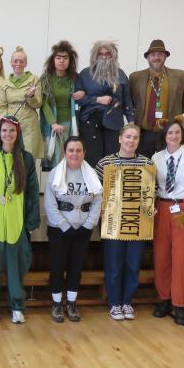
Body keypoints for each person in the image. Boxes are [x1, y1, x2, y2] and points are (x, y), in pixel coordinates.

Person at [0, 116, 40, 324]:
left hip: (16, 222)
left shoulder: (26, 159)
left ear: (18, 133)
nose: (8, 134)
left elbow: (32, 192)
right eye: (4, 130)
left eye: (12, 131)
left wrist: (31, 221)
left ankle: (17, 306)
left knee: (16, 266)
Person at [96, 124, 155, 321]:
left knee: (133, 265)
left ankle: (127, 302)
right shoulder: (105, 163)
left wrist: (151, 207)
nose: (131, 141)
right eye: (128, 136)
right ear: (120, 138)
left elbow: (153, 192)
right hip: (113, 224)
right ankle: (114, 303)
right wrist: (100, 210)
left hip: (138, 224)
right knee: (113, 265)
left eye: (135, 137)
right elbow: (96, 192)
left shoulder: (147, 163)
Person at [151, 119, 184, 326]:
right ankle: (164, 299)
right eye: (170, 133)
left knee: (182, 259)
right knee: (161, 256)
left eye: (177, 132)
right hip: (163, 207)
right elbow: (150, 186)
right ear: (164, 136)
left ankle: (179, 303)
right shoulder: (156, 158)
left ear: (182, 135)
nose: (173, 136)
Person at [44, 136, 102, 322]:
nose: (74, 154)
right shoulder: (55, 173)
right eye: (71, 150)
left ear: (84, 153)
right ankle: (56, 304)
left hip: (82, 229)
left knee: (76, 267)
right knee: (58, 267)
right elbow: (50, 204)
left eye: (78, 150)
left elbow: (97, 201)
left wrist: (88, 225)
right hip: (59, 229)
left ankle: (71, 303)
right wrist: (64, 226)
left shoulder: (91, 174)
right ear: (64, 153)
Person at [129, 39, 184, 158]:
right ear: (147, 57)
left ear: (165, 57)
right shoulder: (135, 77)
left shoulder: (181, 76)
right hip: (144, 133)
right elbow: (131, 101)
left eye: (160, 54)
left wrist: (175, 112)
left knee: (167, 165)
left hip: (168, 132)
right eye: (153, 55)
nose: (156, 57)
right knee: (143, 165)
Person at [75, 41, 134, 165]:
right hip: (90, 122)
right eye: (100, 54)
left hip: (114, 122)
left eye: (107, 54)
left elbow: (127, 100)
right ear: (94, 56)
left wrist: (131, 122)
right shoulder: (85, 74)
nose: (104, 57)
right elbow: (78, 99)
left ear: (113, 56)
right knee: (91, 161)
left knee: (112, 161)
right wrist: (97, 100)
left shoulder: (121, 74)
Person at [0, 47, 44, 159]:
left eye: (21, 61)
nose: (18, 64)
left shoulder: (34, 80)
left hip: (29, 124)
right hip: (11, 124)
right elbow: (1, 106)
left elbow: (38, 104)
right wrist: (4, 123)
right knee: (10, 156)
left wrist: (31, 97)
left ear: (26, 63)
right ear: (11, 63)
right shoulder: (4, 83)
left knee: (28, 156)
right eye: (15, 61)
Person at [40, 41, 78, 171]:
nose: (62, 61)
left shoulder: (75, 78)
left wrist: (83, 93)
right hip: (52, 124)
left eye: (65, 58)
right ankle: (56, 183)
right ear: (53, 60)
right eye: (58, 57)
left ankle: (68, 183)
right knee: (56, 158)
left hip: (71, 124)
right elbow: (44, 103)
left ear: (70, 61)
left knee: (69, 157)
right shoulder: (46, 79)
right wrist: (53, 123)